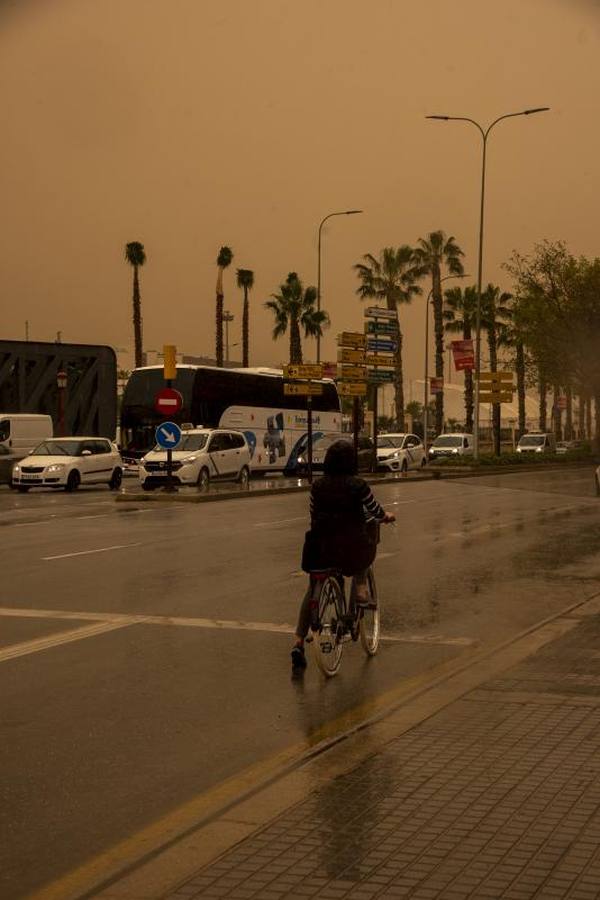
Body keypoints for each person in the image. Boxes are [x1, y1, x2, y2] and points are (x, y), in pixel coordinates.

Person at [291, 439, 395, 670]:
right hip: (351, 548)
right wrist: (385, 516)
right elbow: (373, 511)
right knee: (363, 560)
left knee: (312, 590)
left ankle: (298, 640)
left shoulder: (317, 487)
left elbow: (314, 515)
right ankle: (360, 593)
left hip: (321, 548)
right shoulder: (358, 486)